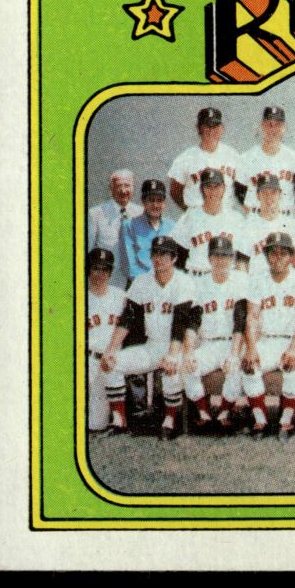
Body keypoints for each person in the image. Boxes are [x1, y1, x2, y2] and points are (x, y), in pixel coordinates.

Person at [98, 236, 196, 440]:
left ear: (174, 258)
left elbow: (180, 324)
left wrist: (172, 356)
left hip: (177, 345)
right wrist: (111, 350)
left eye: (164, 254)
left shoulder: (183, 282)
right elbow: (127, 318)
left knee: (171, 371)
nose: (158, 258)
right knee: (112, 364)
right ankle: (119, 421)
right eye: (155, 254)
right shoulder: (142, 281)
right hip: (152, 345)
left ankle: (170, 421)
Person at [241, 231, 295, 440]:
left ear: (291, 256)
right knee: (248, 367)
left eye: (284, 253)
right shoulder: (257, 281)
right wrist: (251, 348)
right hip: (266, 340)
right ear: (266, 256)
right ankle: (260, 420)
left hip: (292, 340)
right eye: (273, 253)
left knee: (293, 368)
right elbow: (252, 317)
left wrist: (294, 349)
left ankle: (286, 420)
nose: (278, 258)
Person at [179, 236, 248, 433]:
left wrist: (234, 354)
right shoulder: (200, 284)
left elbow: (240, 322)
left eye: (225, 256)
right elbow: (193, 323)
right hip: (208, 344)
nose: (221, 260)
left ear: (232, 259)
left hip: (232, 343)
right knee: (187, 366)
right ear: (209, 259)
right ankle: (204, 413)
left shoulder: (240, 280)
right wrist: (189, 352)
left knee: (235, 368)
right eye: (216, 256)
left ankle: (225, 412)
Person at [169, 167, 250, 276]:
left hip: (227, 278)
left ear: (224, 188)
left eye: (217, 186)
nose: (213, 191)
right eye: (209, 186)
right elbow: (177, 256)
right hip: (198, 276)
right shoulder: (190, 217)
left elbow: (243, 257)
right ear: (202, 189)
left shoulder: (236, 219)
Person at [167, 106, 240, 211]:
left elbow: (242, 187)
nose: (211, 131)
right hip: (196, 216)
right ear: (198, 128)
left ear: (222, 128)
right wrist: (190, 211)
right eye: (207, 126)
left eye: (215, 126)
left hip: (226, 216)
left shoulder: (233, 155)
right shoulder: (185, 158)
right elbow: (175, 191)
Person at [86, 248, 126, 433]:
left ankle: (119, 416)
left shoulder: (121, 297)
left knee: (97, 424)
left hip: (111, 361)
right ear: (88, 270)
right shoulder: (79, 298)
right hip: (89, 360)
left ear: (110, 272)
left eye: (105, 269)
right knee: (94, 425)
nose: (100, 274)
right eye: (96, 268)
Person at [239, 106, 295, 215]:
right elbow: (238, 194)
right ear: (262, 126)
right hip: (255, 219)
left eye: (278, 125)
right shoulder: (246, 158)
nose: (273, 129)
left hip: (286, 218)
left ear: (284, 127)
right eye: (269, 124)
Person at [88, 169, 142, 289]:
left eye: (127, 186)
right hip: (109, 283)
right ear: (111, 189)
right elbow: (88, 251)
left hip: (137, 283)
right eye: (119, 186)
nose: (123, 191)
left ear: (133, 188)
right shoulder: (96, 214)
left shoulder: (141, 213)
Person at [121, 178, 175, 284]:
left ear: (165, 202)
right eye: (151, 200)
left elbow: (178, 261)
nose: (155, 205)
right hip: (140, 285)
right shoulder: (129, 226)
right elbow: (129, 266)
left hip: (169, 284)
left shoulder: (172, 226)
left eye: (159, 200)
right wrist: (152, 284)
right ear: (143, 201)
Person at [244, 173, 292, 274]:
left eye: (273, 192)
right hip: (257, 279)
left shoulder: (291, 224)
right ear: (258, 195)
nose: (269, 197)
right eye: (264, 192)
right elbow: (242, 264)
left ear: (280, 194)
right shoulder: (248, 225)